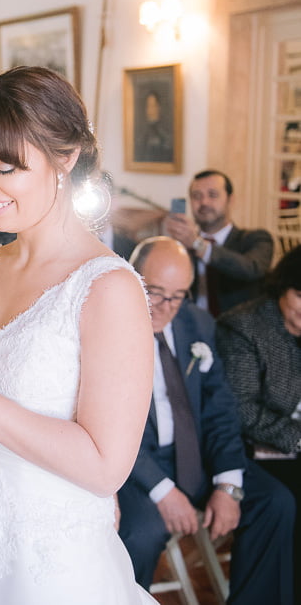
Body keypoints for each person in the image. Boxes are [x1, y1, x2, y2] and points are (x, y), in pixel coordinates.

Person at [0, 66, 155, 604]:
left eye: (5, 167)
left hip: (50, 567)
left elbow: (105, 468)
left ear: (65, 158)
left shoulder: (107, 288)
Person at [117, 236, 293, 603]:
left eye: (177, 295)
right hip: (135, 464)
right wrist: (164, 492)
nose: (165, 307)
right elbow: (110, 427)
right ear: (131, 276)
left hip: (194, 454)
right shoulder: (107, 325)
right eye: (155, 292)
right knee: (141, 533)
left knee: (274, 502)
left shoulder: (196, 323)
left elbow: (220, 410)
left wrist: (228, 485)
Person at [216, 244, 301, 597]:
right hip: (255, 452)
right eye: (300, 295)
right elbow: (242, 410)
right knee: (287, 500)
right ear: (282, 286)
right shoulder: (244, 326)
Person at [164, 169, 274, 316]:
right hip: (191, 322)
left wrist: (198, 244)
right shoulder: (182, 244)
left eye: (213, 195)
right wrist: (171, 246)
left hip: (237, 325)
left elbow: (251, 269)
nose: (204, 202)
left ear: (230, 200)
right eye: (197, 196)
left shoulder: (255, 238)